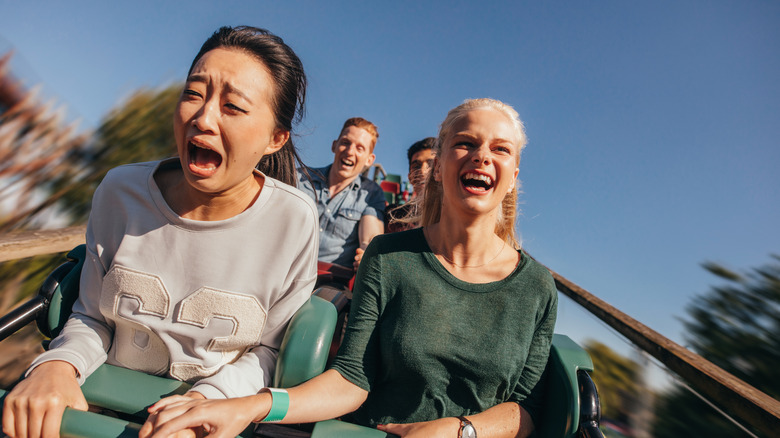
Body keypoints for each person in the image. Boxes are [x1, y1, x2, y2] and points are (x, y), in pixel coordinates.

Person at [139, 98, 558, 438]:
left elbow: (527, 409)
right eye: (466, 143)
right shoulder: (390, 257)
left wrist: (457, 431)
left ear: (513, 173)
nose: (482, 157)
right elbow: (353, 378)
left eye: (500, 149)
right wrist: (251, 405)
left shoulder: (537, 287)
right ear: (441, 163)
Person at [2, 26, 319, 438]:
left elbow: (270, 350)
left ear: (275, 139)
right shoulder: (119, 192)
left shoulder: (293, 221)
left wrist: (205, 403)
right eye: (193, 94)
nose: (203, 118)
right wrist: (58, 366)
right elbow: (92, 316)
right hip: (96, 410)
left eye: (233, 107)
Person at [297, 118, 386, 270]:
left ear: (369, 160)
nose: (350, 152)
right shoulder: (299, 178)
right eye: (345, 142)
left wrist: (367, 253)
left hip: (329, 283)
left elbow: (370, 240)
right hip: (284, 269)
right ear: (334, 145)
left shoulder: (371, 193)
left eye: (360, 148)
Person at [387, 137, 436, 232]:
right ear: (409, 176)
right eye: (416, 166)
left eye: (430, 164)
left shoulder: (458, 217)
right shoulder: (393, 217)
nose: (422, 171)